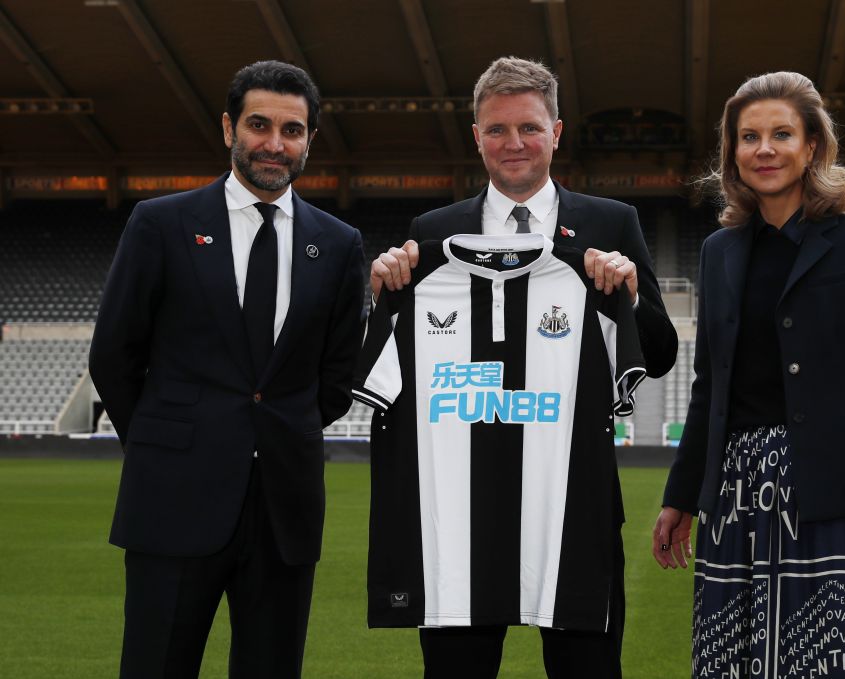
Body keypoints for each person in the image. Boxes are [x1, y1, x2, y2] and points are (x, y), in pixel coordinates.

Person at [369, 56, 677, 679]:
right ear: (476, 136)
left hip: (573, 510)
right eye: (497, 129)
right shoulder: (433, 232)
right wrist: (382, 293)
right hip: (458, 519)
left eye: (529, 128)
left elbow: (661, 352)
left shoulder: (611, 222)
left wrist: (630, 295)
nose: (514, 144)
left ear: (556, 132)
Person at [89, 60, 365, 679]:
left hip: (284, 512)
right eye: (259, 124)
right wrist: (169, 441)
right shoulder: (161, 223)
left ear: (309, 140)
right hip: (172, 498)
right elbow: (113, 354)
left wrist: (278, 430)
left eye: (292, 130)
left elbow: (336, 376)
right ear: (228, 128)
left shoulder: (340, 243)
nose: (274, 143)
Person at [652, 71, 845, 677]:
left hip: (831, 492)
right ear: (732, 153)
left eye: (781, 134)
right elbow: (709, 386)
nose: (763, 149)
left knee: (835, 657)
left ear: (813, 145)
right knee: (734, 660)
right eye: (748, 137)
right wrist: (682, 496)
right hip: (737, 491)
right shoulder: (720, 252)